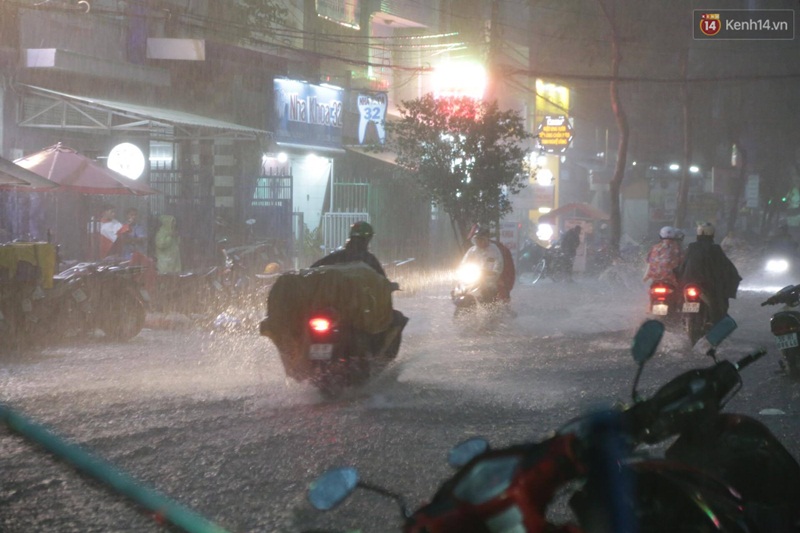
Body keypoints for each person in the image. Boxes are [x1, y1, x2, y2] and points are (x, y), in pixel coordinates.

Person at [676, 222, 742, 324]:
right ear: (712, 234)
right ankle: (714, 322)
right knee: (719, 305)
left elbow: (682, 265)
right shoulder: (715, 249)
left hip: (689, 282)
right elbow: (727, 267)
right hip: (709, 285)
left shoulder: (691, 247)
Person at [310, 221, 386, 276]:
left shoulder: (336, 257)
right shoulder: (370, 260)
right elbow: (383, 282)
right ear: (368, 239)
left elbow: (312, 270)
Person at [460, 225, 505, 302]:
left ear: (486, 239)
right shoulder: (472, 250)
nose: (479, 241)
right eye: (477, 239)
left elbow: (499, 264)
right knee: (459, 290)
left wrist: (493, 273)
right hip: (472, 280)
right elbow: (464, 263)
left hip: (489, 282)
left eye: (481, 239)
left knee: (488, 295)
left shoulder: (494, 250)